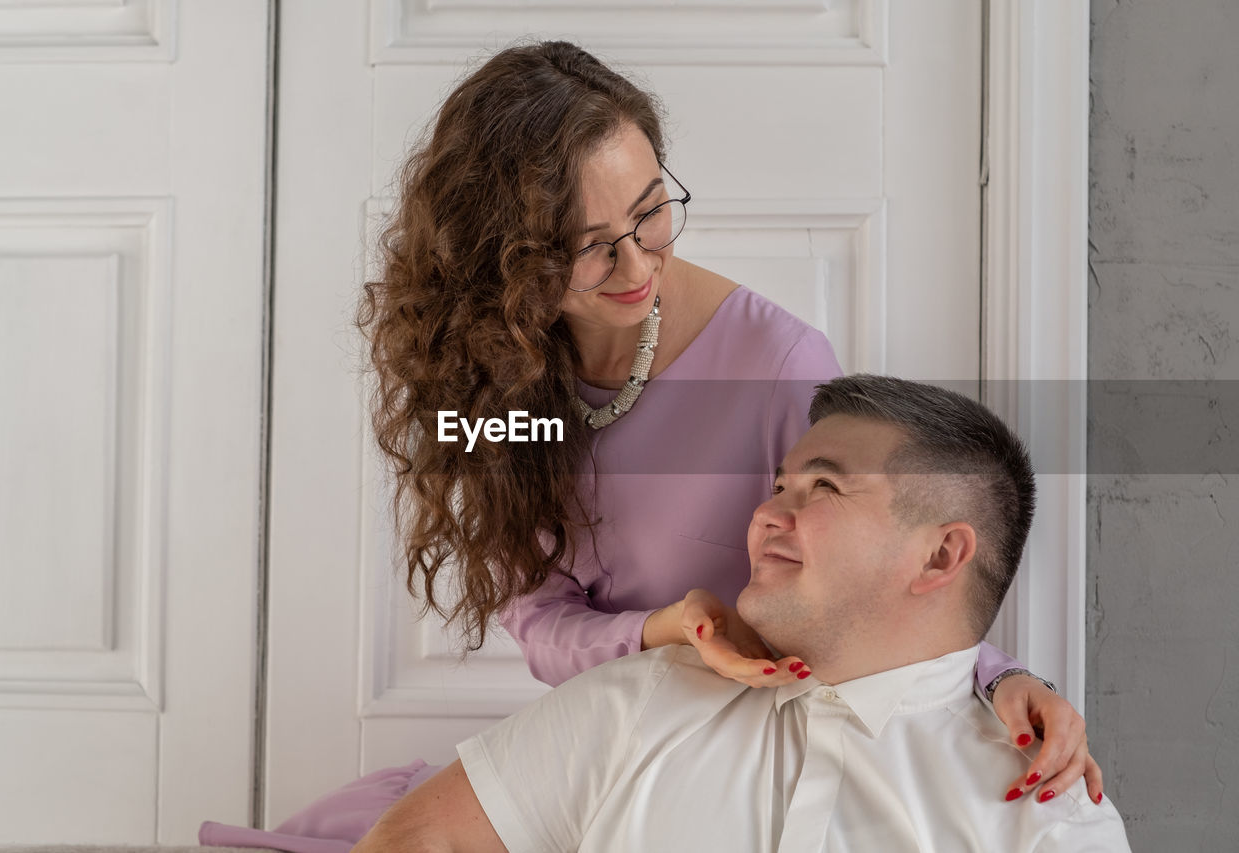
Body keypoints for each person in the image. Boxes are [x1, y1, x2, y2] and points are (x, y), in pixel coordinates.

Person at [199, 39, 1096, 853]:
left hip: (746, 754)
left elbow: (874, 571)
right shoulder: (498, 388)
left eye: (652, 211)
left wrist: (1004, 678)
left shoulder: (774, 366)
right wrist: (663, 631)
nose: (638, 267)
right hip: (618, 739)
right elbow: (543, 621)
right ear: (503, 267)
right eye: (588, 250)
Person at [351, 375, 1131, 852]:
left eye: (821, 488)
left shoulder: (1046, 818)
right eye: (779, 483)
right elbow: (420, 838)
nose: (763, 515)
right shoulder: (648, 696)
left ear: (939, 557)